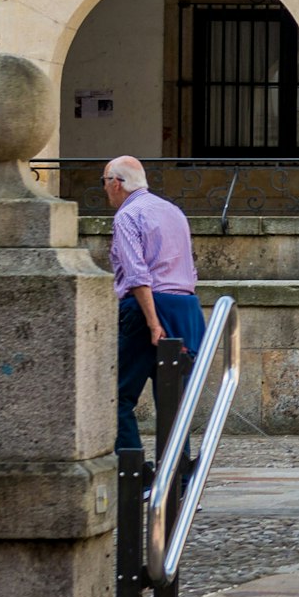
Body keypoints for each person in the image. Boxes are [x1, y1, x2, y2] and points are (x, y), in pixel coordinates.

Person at [103, 157, 202, 455]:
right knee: (172, 402)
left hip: (147, 307)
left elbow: (137, 274)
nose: (105, 189)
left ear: (116, 183)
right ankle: (179, 480)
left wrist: (152, 322)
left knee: (116, 396)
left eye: (104, 182)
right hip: (186, 309)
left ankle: (133, 474)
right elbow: (189, 269)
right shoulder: (173, 211)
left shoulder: (127, 215)